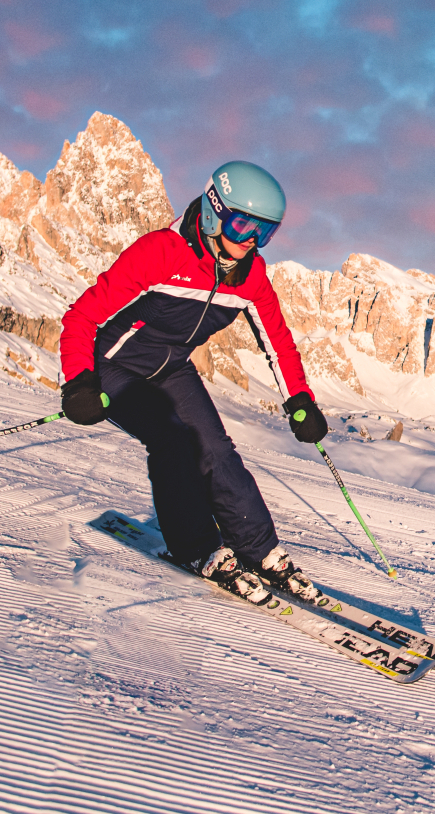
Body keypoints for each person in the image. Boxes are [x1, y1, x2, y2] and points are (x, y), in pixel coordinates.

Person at [57, 159, 329, 604]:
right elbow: (82, 316)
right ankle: (196, 548)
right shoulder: (160, 253)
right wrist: (78, 383)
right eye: (243, 225)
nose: (250, 242)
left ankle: (259, 550)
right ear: (213, 210)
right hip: (114, 364)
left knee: (216, 448)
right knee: (173, 440)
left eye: (264, 232)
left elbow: (278, 341)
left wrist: (300, 399)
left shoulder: (250, 276)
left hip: (171, 367)